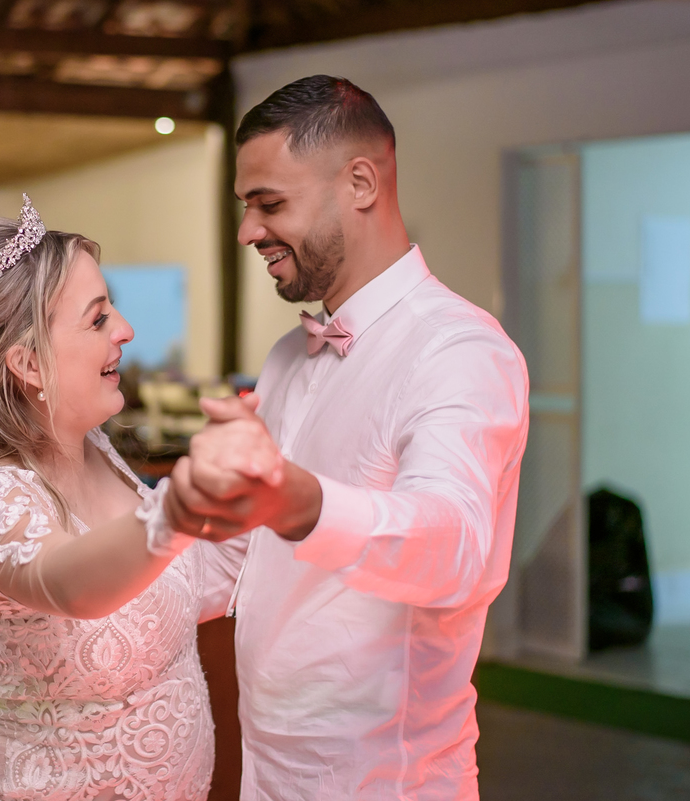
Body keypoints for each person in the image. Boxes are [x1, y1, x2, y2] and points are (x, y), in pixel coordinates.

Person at [164, 76, 531, 800]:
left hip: (386, 781)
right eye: (245, 207)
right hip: (267, 768)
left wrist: (302, 503)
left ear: (361, 183)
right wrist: (80, 581)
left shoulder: (457, 349)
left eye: (270, 204)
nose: (247, 232)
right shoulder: (287, 356)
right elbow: (239, 558)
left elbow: (455, 544)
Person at [0, 199, 256, 801]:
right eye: (98, 318)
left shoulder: (97, 452)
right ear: (29, 364)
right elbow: (70, 584)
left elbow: (166, 585)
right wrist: (181, 504)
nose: (126, 330)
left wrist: (271, 495)